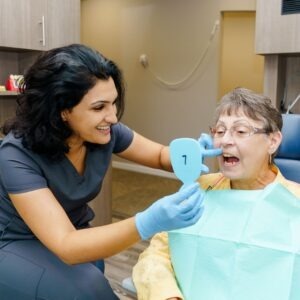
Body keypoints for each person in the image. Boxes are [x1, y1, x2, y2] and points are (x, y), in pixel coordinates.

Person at [0, 44, 221, 299]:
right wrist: (148, 221)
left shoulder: (105, 133)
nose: (113, 117)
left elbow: (160, 156)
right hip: (15, 242)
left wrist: (190, 154)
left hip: (71, 234)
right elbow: (66, 244)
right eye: (99, 107)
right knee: (86, 287)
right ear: (62, 110)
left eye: (113, 103)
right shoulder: (15, 155)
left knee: (91, 273)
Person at [132, 87, 300, 300]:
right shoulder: (201, 189)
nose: (225, 141)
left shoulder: (294, 205)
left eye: (240, 131)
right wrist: (168, 296)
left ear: (273, 141)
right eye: (219, 132)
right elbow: (155, 256)